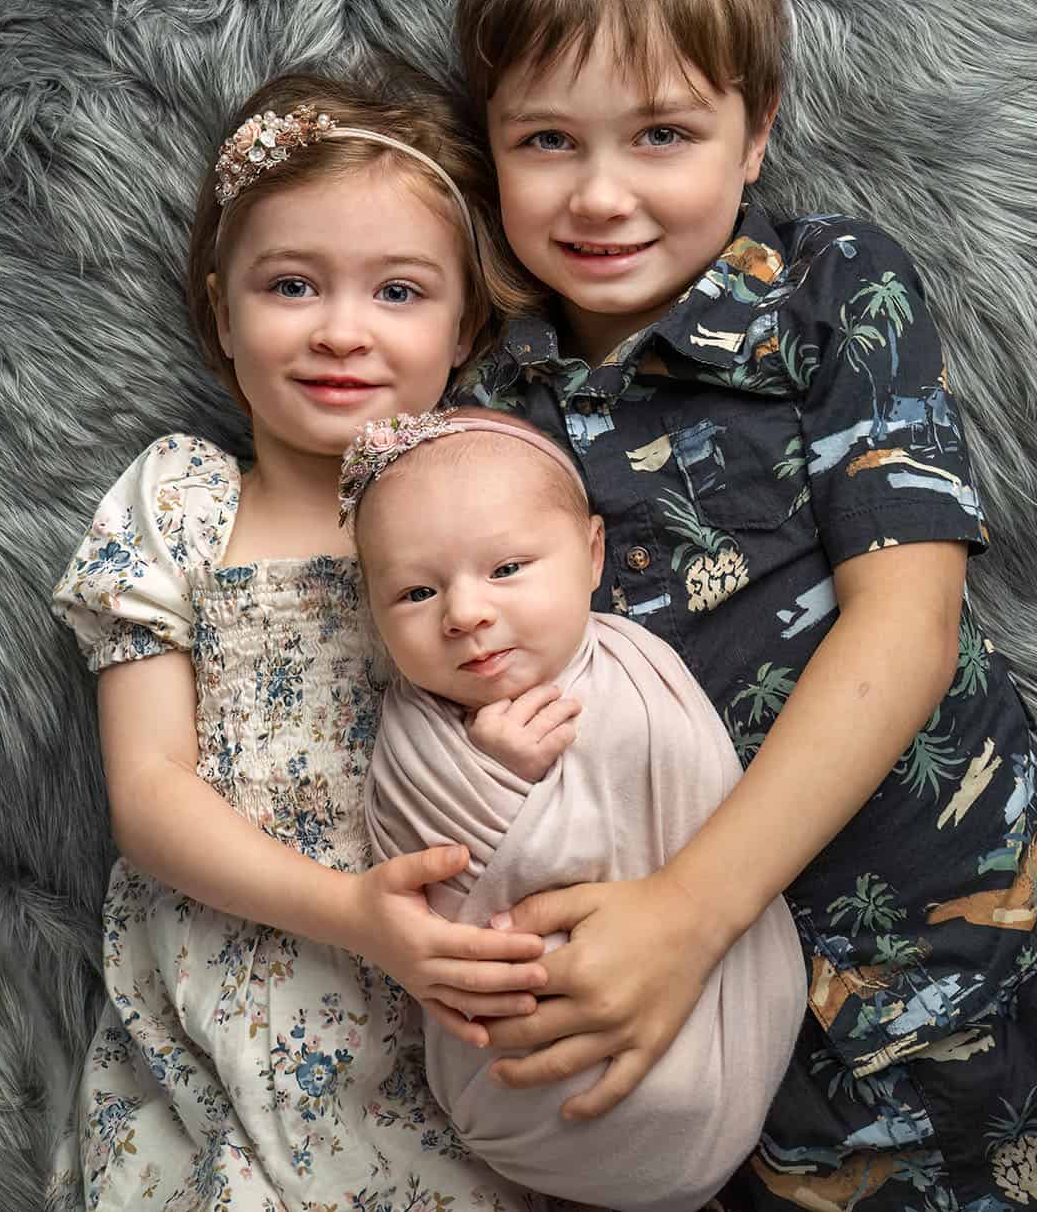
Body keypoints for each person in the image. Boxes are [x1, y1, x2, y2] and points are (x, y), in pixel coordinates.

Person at [449, 0, 1037, 1210]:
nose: (600, 194)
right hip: (735, 1065)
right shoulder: (488, 413)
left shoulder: (828, 291)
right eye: (546, 141)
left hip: (992, 971)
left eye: (662, 135)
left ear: (755, 133)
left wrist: (689, 908)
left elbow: (907, 624)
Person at [45, 65, 561, 1211]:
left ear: (465, 323)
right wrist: (348, 915)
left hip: (447, 998)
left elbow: (566, 720)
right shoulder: (180, 501)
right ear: (220, 309)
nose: (341, 331)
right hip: (237, 990)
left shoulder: (497, 506)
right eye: (291, 284)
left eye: (397, 292)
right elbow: (148, 791)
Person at [344, 405, 805, 1212]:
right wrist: (485, 776)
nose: (464, 613)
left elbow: (698, 793)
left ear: (591, 553)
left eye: (508, 569)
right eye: (416, 591)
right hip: (524, 1083)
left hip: (712, 1017)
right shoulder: (412, 730)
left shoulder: (641, 668)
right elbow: (411, 869)